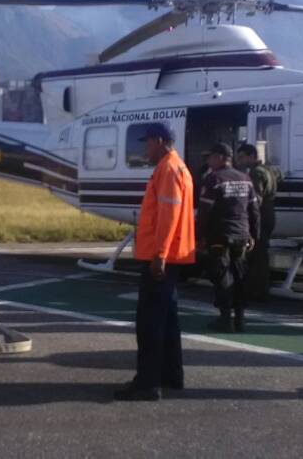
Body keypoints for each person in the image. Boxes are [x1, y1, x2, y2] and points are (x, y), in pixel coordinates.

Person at [114, 123, 195, 402]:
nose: (145, 149)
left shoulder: (168, 169)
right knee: (168, 319)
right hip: (173, 255)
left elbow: (168, 216)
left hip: (161, 257)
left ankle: (147, 383)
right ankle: (172, 375)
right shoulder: (178, 167)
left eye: (147, 143)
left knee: (150, 323)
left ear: (160, 141)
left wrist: (159, 254)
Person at [198, 142, 260, 332]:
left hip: (220, 235)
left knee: (222, 277)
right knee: (240, 276)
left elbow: (205, 212)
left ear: (221, 158)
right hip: (242, 235)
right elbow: (254, 210)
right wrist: (254, 235)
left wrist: (199, 235)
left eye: (210, 157)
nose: (208, 161)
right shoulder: (246, 178)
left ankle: (226, 319)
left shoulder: (213, 179)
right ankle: (240, 318)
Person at [236, 143, 281, 303]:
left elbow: (256, 200)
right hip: (270, 212)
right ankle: (260, 288)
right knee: (262, 253)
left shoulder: (256, 173)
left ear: (251, 156)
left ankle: (257, 290)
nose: (240, 161)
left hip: (261, 214)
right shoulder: (270, 169)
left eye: (242, 157)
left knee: (256, 255)